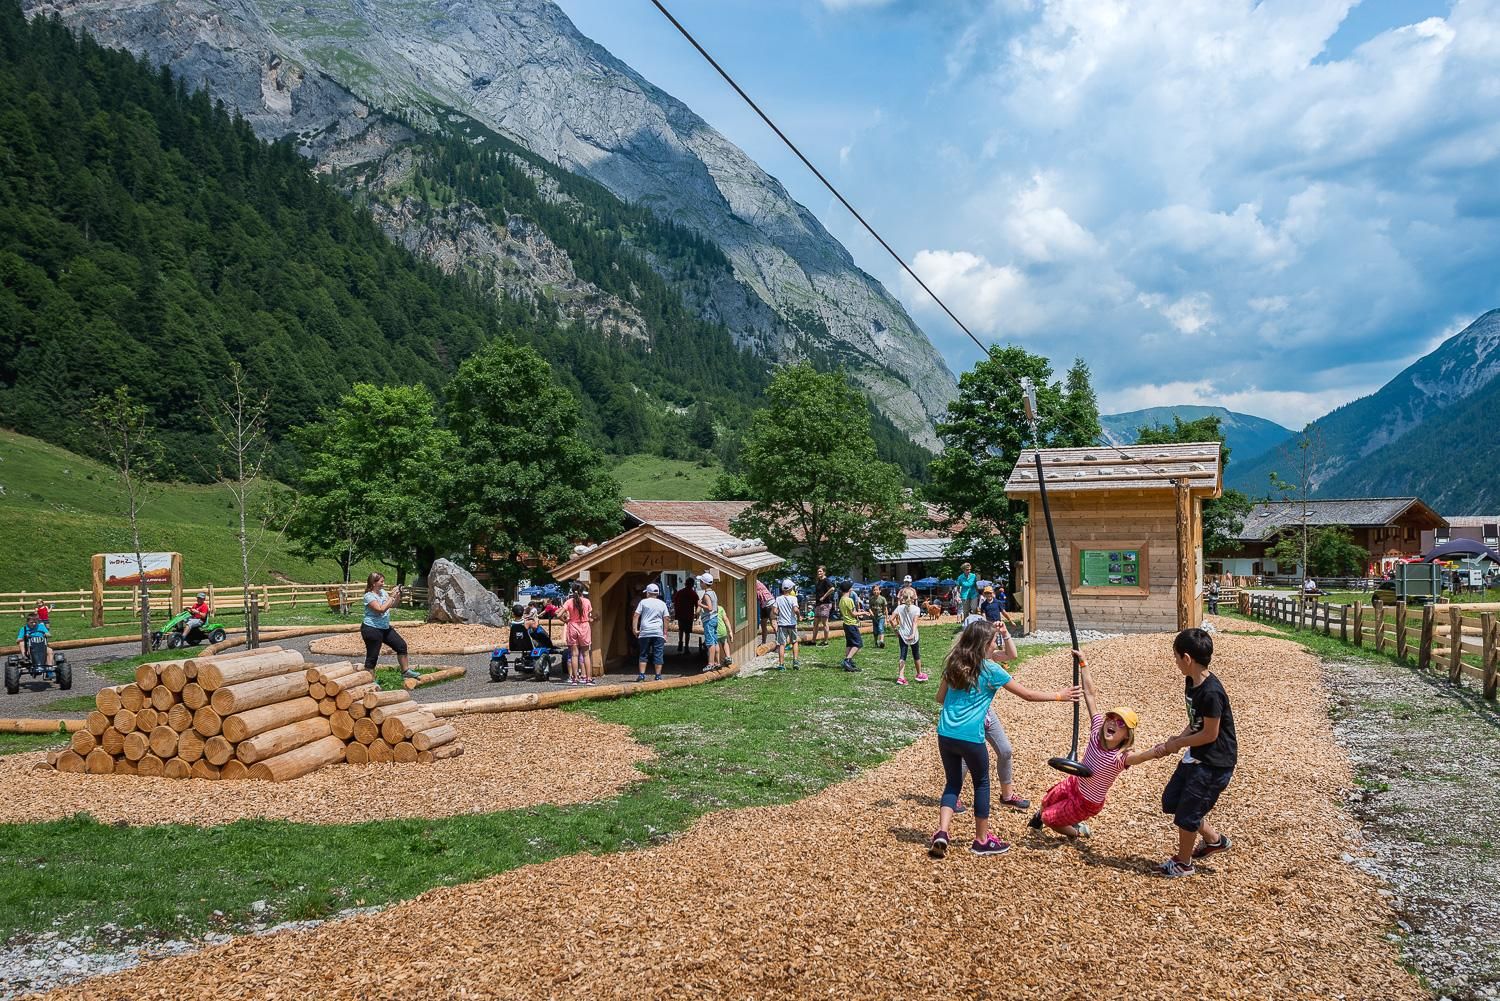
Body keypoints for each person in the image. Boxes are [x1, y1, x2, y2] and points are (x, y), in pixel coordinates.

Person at [928, 620, 1080, 859]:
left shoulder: (955, 663)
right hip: (971, 736)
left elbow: (940, 698)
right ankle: (981, 840)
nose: (995, 645)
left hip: (946, 733)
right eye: (993, 642)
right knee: (981, 784)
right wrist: (1060, 695)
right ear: (985, 644)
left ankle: (942, 832)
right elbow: (1028, 695)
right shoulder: (991, 670)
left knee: (953, 783)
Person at [1029, 650, 1167, 839]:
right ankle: (1050, 816)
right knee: (1047, 799)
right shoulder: (1097, 731)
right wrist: (1083, 664)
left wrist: (1159, 750)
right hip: (1074, 783)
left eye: (1121, 723)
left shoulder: (1120, 757)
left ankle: (1076, 831)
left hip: (1086, 802)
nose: (1113, 723)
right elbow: (1090, 695)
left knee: (1049, 818)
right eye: (1111, 718)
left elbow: (1142, 757)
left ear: (1127, 735)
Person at [1156, 627, 1238, 878]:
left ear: (1187, 658)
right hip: (1197, 755)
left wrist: (1180, 744)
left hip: (1214, 763)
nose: (1175, 662)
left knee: (1188, 814)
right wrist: (1178, 738)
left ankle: (1184, 863)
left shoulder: (1211, 692)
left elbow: (1210, 734)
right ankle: (1214, 840)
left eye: (1176, 657)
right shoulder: (1191, 682)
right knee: (1172, 801)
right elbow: (1196, 722)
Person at [362, 573, 417, 679]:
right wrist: (391, 596)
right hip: (372, 628)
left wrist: (397, 595)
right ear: (373, 583)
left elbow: (393, 605)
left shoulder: (383, 592)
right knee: (372, 656)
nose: (383, 583)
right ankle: (370, 680)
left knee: (401, 646)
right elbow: (380, 609)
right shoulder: (368, 596)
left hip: (385, 627)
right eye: (381, 581)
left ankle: (405, 671)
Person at [560, 582, 596, 686]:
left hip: (572, 626)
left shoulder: (569, 601)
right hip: (584, 626)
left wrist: (566, 621)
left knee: (574, 654)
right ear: (582, 591)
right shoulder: (587, 601)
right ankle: (588, 679)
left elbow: (558, 614)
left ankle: (574, 679)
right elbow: (589, 615)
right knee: (586, 654)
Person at [633, 583, 669, 682]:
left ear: (648, 593)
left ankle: (642, 675)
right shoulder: (662, 604)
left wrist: (635, 629)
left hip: (645, 632)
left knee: (643, 654)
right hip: (658, 632)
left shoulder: (643, 602)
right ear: (657, 593)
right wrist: (665, 633)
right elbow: (666, 618)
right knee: (658, 654)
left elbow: (636, 615)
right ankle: (658, 676)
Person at [891, 591, 924, 685]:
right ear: (914, 598)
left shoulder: (899, 608)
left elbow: (891, 619)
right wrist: (913, 634)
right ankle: (919, 674)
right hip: (913, 635)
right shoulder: (916, 609)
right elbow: (914, 622)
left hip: (903, 634)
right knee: (916, 654)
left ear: (903, 598)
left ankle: (901, 676)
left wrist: (896, 631)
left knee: (903, 654)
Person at [773, 578, 801, 670]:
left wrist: (780, 614)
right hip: (792, 624)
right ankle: (795, 661)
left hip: (782, 624)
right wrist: (799, 616)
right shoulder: (793, 598)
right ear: (790, 589)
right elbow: (796, 609)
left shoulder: (778, 599)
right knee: (794, 642)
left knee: (782, 644)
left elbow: (774, 611)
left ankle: (781, 664)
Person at [837, 580, 863, 673]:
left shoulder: (841, 600)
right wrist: (863, 612)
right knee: (858, 644)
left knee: (849, 643)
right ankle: (847, 660)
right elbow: (853, 614)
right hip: (852, 624)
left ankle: (849, 661)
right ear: (849, 589)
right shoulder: (849, 600)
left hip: (846, 624)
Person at [698, 573, 721, 672]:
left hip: (709, 619)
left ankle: (710, 663)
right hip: (715, 618)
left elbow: (710, 608)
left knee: (710, 642)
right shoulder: (714, 593)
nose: (700, 583)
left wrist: (700, 604)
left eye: (700, 582)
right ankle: (717, 662)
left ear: (704, 583)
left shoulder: (707, 595)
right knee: (715, 641)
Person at [811, 566, 835, 646]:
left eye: (820, 571)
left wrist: (824, 597)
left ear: (824, 572)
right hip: (818, 605)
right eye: (818, 571)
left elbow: (832, 589)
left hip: (825, 604)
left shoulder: (826, 580)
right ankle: (813, 641)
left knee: (825, 623)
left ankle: (825, 641)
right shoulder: (819, 581)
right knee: (815, 623)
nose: (819, 573)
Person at [672, 579, 698, 654]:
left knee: (681, 630)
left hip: (680, 614)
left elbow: (675, 602)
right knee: (687, 632)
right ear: (692, 584)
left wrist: (675, 612)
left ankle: (680, 644)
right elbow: (697, 605)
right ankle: (686, 647)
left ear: (685, 584)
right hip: (689, 615)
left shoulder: (680, 592)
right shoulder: (693, 593)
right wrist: (696, 614)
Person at [756, 577, 774, 644]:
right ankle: (763, 642)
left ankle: (780, 642)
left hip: (770, 603)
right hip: (763, 605)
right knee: (763, 624)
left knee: (773, 623)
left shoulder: (755, 582)